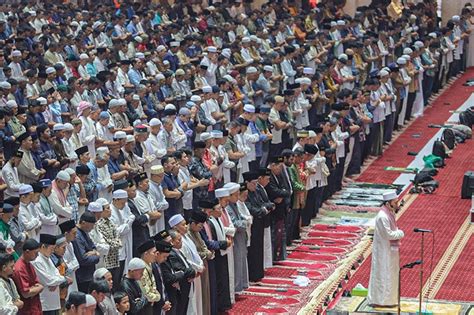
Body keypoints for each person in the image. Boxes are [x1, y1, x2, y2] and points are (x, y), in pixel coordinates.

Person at [367, 191, 405, 308]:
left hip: (389, 249)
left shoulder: (389, 213)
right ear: (388, 203)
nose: (397, 204)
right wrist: (400, 233)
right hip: (384, 250)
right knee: (384, 274)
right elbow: (389, 234)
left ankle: (389, 300)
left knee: (390, 273)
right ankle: (382, 300)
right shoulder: (383, 216)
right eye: (395, 202)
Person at [32, 234, 73, 315]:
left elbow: (57, 275)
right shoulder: (37, 261)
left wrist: (57, 281)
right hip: (45, 303)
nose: (53, 251)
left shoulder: (48, 258)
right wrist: (63, 279)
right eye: (51, 248)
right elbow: (49, 280)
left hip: (54, 301)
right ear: (43, 246)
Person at [11, 239, 44, 315]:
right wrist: (40, 288)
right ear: (27, 252)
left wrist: (35, 288)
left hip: (35, 307)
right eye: (36, 253)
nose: (37, 255)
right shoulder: (19, 268)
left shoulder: (29, 264)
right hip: (27, 310)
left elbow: (36, 283)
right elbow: (26, 293)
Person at [72, 211, 100, 293]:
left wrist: (94, 252)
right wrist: (97, 256)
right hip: (82, 277)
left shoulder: (85, 232)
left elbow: (94, 247)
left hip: (89, 275)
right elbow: (83, 259)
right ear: (83, 223)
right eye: (91, 225)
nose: (92, 228)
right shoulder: (77, 236)